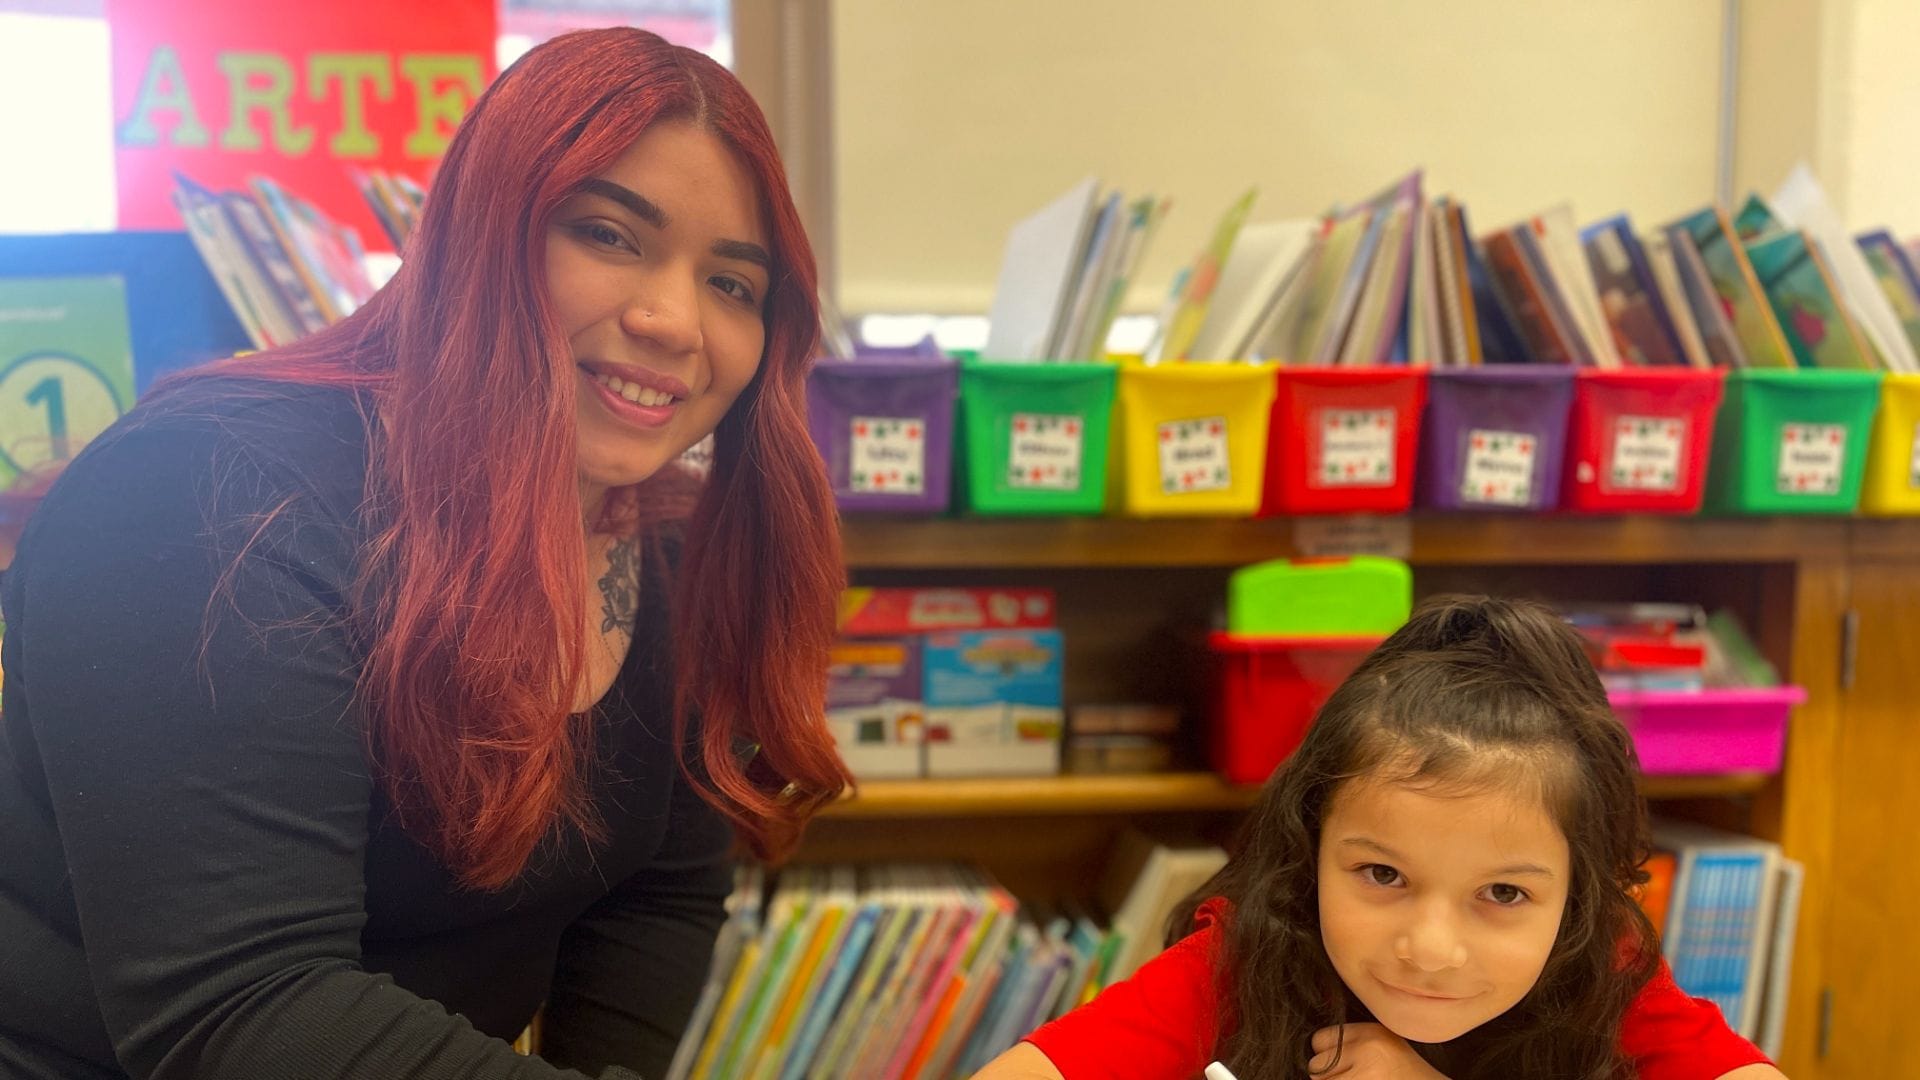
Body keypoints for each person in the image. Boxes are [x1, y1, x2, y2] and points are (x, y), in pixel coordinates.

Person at [0, 27, 850, 1080]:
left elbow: (657, 888)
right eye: (609, 234)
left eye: (732, 285)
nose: (672, 319)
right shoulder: (203, 494)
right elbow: (247, 1005)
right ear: (479, 233)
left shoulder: (667, 536)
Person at [974, 596, 1786, 1080]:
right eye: (1382, 875)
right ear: (1310, 850)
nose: (1431, 950)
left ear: (1578, 896)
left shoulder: (1600, 966)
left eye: (1503, 893)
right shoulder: (1251, 952)